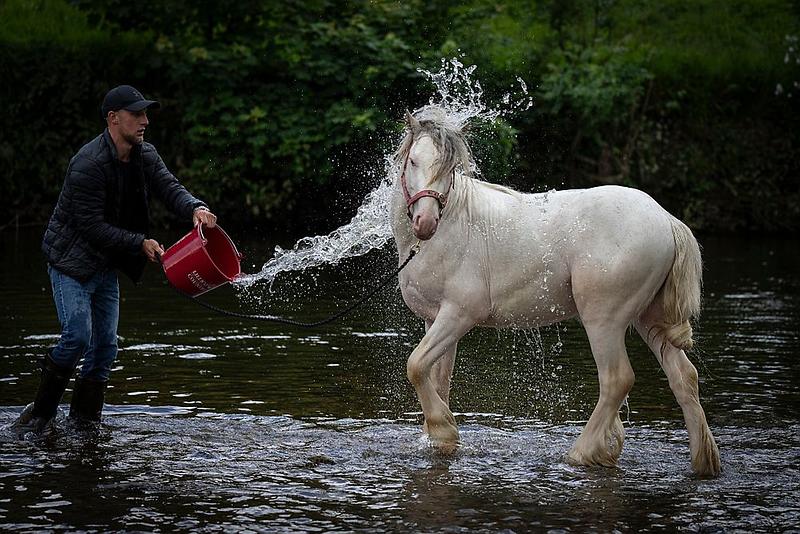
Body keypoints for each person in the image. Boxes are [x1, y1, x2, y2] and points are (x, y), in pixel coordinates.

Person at [11, 85, 217, 434]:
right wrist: (140, 242)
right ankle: (41, 415)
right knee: (77, 337)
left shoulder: (144, 155)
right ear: (113, 118)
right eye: (137, 114)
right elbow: (91, 227)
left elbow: (170, 187)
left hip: (105, 263)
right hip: (70, 263)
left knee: (106, 347)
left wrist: (196, 207)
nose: (145, 121)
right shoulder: (87, 164)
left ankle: (84, 425)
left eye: (146, 114)